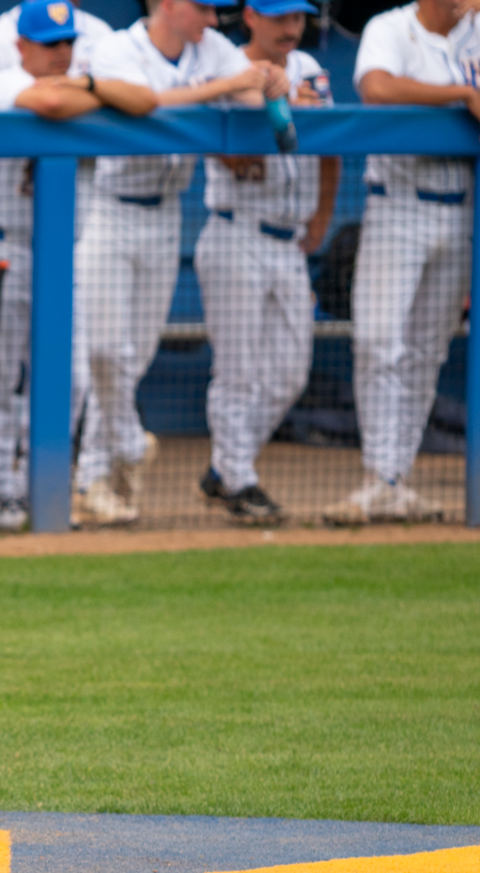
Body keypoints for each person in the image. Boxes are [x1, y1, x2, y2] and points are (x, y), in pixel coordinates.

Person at [71, 0, 286, 526]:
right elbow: (150, 103)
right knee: (102, 349)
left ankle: (97, 478)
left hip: (166, 215)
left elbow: (251, 90)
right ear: (168, 5)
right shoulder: (115, 48)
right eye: (205, 8)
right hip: (111, 209)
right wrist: (222, 87)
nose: (214, 21)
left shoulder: (209, 49)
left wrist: (269, 84)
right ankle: (125, 443)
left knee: (134, 355)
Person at [324, 0, 480, 523]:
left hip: (463, 208)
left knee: (426, 352)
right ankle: (378, 476)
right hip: (398, 204)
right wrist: (462, 94)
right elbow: (375, 88)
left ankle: (394, 479)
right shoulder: (392, 27)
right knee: (378, 341)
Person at [0, 0, 156, 531]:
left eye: (67, 42)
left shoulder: (86, 89)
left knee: (72, 379)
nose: (60, 52)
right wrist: (96, 92)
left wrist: (89, 89)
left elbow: (145, 98)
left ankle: (35, 490)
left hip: (59, 254)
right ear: (22, 47)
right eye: (48, 43)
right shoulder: (2, 81)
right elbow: (46, 102)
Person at [195, 0, 340, 524]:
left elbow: (329, 144)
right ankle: (239, 479)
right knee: (238, 371)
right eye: (280, 17)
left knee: (289, 374)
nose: (292, 28)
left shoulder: (311, 71)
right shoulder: (223, 62)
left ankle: (224, 464)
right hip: (237, 229)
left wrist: (323, 214)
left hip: (289, 241)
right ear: (251, 16)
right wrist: (268, 99)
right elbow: (216, 141)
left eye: (298, 18)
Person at [0, 0, 113, 98]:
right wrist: (96, 90)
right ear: (21, 47)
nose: (63, 51)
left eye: (70, 41)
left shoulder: (100, 31)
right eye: (51, 43)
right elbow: (53, 103)